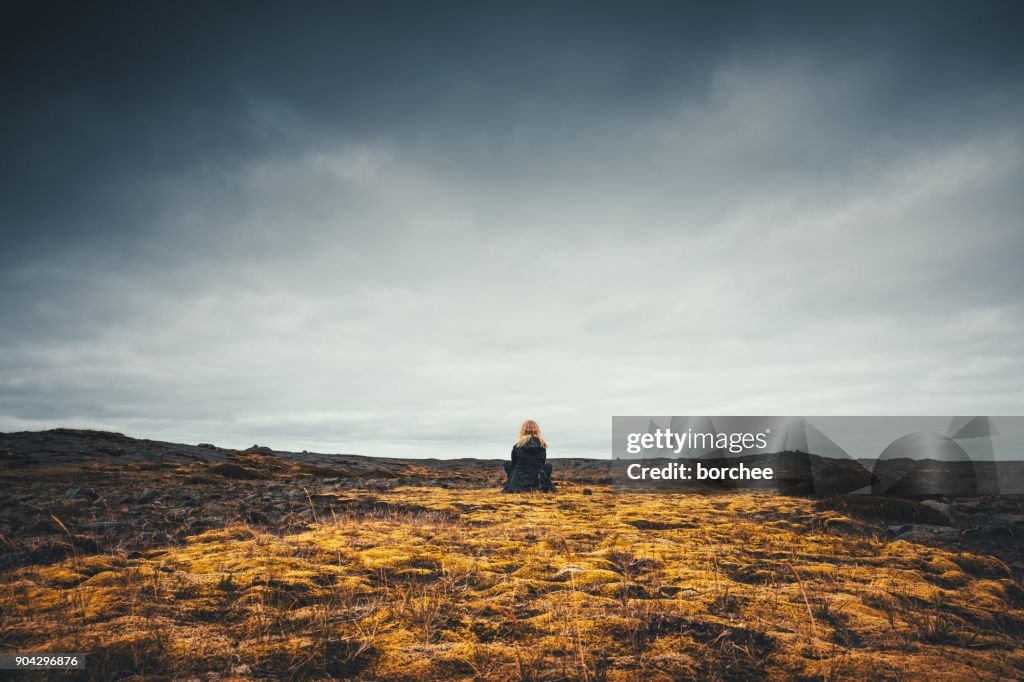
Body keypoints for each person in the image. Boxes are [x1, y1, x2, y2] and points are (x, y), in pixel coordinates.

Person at [502, 419, 556, 492]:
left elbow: (514, 464)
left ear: (523, 431)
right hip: (538, 480)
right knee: (548, 466)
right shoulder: (542, 446)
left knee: (507, 464)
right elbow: (542, 464)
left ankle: (513, 485)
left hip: (519, 482)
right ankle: (542, 485)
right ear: (537, 430)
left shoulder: (517, 446)